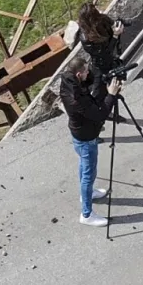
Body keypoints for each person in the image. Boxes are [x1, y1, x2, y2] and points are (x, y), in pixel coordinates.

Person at [58, 56, 120, 227]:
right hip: (86, 137)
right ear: (78, 74)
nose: (88, 73)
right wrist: (112, 95)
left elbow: (90, 83)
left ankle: (87, 193)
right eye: (86, 71)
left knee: (84, 166)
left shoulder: (68, 84)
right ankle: (87, 214)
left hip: (79, 133)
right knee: (88, 173)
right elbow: (100, 114)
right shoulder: (77, 99)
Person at [74, 3, 124, 95]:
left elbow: (112, 23)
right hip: (100, 65)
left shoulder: (102, 19)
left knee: (117, 85)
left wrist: (117, 26)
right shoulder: (85, 37)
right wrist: (115, 36)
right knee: (98, 92)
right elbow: (103, 53)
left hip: (110, 60)